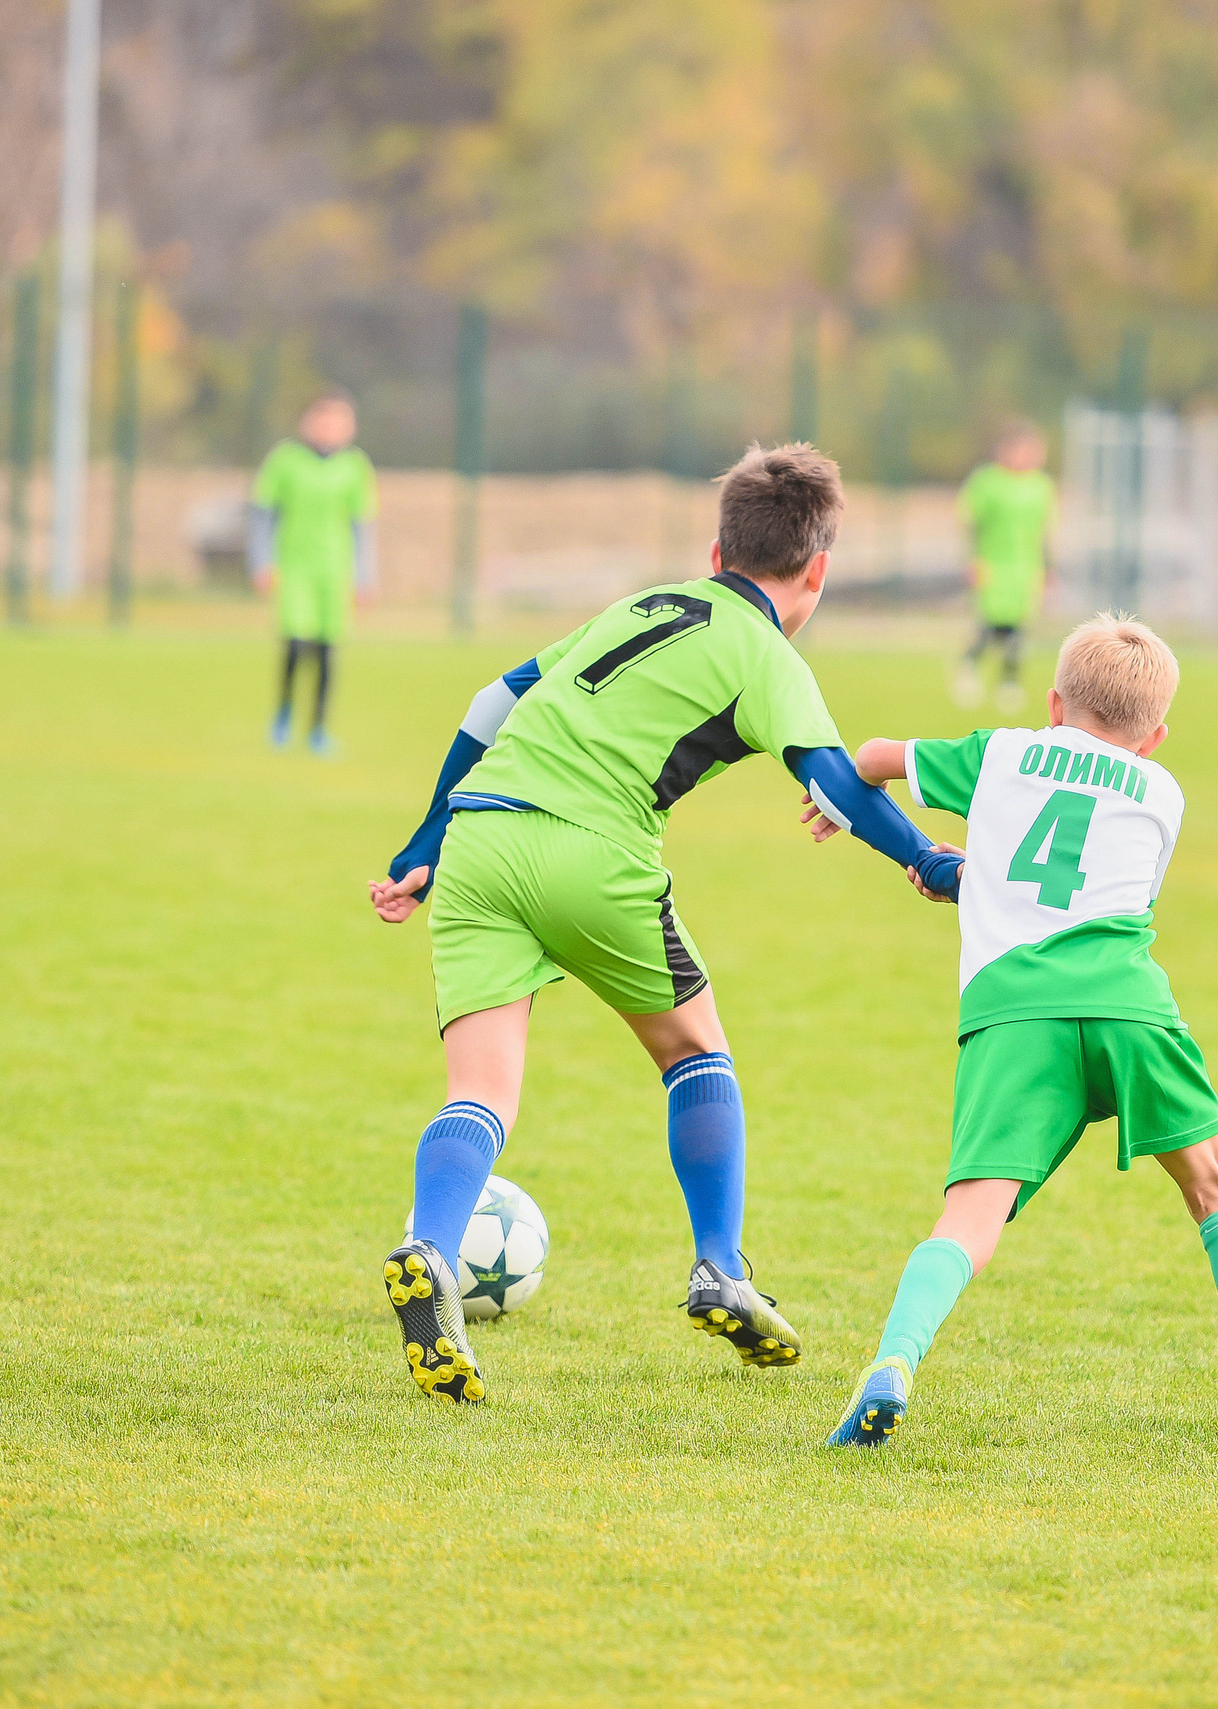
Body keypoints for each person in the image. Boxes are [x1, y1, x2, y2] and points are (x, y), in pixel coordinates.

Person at [368, 443, 966, 1405]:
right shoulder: (765, 651)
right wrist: (930, 861)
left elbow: (493, 700)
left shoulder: (645, 604)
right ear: (817, 570)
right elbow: (833, 779)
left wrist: (426, 837)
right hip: (595, 854)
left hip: (481, 839)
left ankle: (429, 1247)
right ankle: (720, 1266)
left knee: (482, 1089)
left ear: (717, 546)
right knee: (697, 1052)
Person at [816, 616, 1218, 1446]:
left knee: (969, 1218)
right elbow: (1085, 879)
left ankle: (893, 1364)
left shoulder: (1003, 752)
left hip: (1013, 1012)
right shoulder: (1163, 793)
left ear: (1054, 702)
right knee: (1214, 1184)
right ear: (1155, 736)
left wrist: (853, 810)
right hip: (1127, 1001)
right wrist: (973, 874)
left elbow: (869, 758)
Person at [251, 390, 379, 756]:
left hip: (334, 569)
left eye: (339, 421)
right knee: (295, 642)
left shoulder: (355, 466)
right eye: (324, 420)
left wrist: (365, 577)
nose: (331, 428)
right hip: (293, 566)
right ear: (308, 422)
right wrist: (261, 562)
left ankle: (319, 728)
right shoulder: (285, 460)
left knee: (327, 649)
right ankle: (283, 714)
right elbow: (263, 514)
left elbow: (362, 526)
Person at [952, 422, 1057, 712]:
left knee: (1019, 629)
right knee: (990, 625)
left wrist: (1047, 568)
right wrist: (972, 561)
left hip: (1025, 567)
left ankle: (1009, 683)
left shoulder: (1041, 486)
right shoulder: (987, 482)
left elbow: (1044, 531)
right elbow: (971, 523)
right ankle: (969, 666)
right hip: (993, 563)